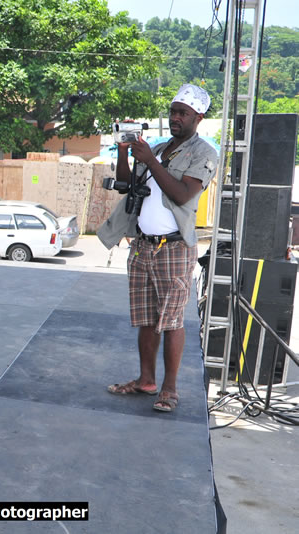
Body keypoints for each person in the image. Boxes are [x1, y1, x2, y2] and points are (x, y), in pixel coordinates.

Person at [98, 84, 218, 413]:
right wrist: (124, 149)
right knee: (147, 319)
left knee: (172, 320)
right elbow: (127, 184)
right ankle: (146, 380)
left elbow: (182, 194)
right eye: (173, 111)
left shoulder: (204, 153)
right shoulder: (160, 147)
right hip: (143, 246)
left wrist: (150, 160)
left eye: (183, 113)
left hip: (175, 249)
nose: (175, 117)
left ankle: (169, 389)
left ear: (198, 117)